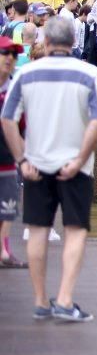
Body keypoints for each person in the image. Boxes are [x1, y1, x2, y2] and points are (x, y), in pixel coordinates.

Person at [1, 16, 97, 322]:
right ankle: (64, 299)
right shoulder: (89, 74)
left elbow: (7, 119)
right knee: (75, 231)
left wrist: (22, 159)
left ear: (45, 43)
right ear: (73, 42)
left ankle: (40, 301)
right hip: (75, 167)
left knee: (36, 231)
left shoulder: (27, 74)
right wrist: (79, 159)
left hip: (36, 165)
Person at [0, 36, 26, 268]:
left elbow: (24, 126)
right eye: (5, 53)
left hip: (7, 161)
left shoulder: (15, 89)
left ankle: (4, 252)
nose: (10, 58)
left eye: (14, 54)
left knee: (7, 210)